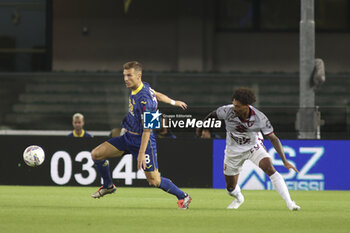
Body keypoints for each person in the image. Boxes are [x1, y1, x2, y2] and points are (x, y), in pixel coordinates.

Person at [90, 61, 192, 209]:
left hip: (143, 140)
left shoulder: (146, 101)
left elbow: (148, 129)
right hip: (128, 138)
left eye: (129, 75)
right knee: (96, 154)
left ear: (138, 76)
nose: (126, 79)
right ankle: (108, 186)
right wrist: (173, 102)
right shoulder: (143, 86)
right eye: (124, 75)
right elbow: (156, 93)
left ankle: (183, 196)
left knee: (154, 181)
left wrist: (141, 153)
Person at [199, 87, 300, 211]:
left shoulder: (260, 118)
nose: (234, 108)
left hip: (253, 146)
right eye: (234, 105)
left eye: (238, 106)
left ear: (247, 106)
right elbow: (211, 115)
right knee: (230, 188)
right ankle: (239, 197)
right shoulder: (227, 111)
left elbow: (274, 139)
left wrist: (284, 161)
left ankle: (290, 203)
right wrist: (202, 128)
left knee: (270, 168)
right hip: (233, 151)